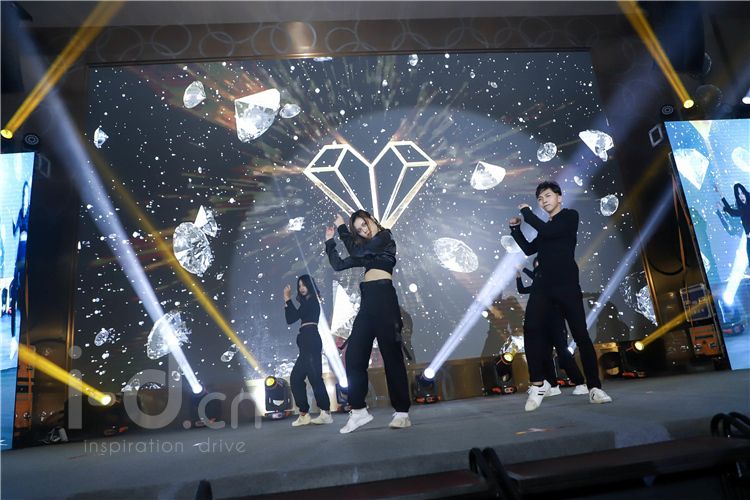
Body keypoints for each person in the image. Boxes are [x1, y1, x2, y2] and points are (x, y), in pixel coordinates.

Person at [510, 180, 612, 410]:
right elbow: (529, 249)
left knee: (580, 335)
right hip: (543, 286)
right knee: (531, 328)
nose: (543, 201)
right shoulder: (545, 227)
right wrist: (515, 230)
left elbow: (549, 231)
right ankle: (538, 383)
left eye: (547, 196)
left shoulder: (569, 217)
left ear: (559, 198)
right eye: (540, 199)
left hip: (566, 285)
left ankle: (594, 387)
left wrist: (526, 212)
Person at [325, 210, 411, 433]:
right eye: (359, 230)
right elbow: (339, 264)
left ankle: (402, 412)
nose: (363, 230)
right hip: (367, 303)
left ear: (372, 219)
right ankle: (359, 411)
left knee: (392, 357)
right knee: (354, 356)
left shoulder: (384, 237)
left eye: (364, 224)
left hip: (384, 299)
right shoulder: (366, 252)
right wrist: (329, 242)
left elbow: (356, 250)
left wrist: (342, 228)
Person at [516, 258, 588, 397]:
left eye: (538, 267)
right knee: (545, 355)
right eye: (536, 267)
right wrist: (518, 276)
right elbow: (522, 289)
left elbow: (538, 276)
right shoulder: (537, 286)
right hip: (542, 324)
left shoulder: (552, 280)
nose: (537, 270)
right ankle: (553, 385)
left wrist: (524, 269)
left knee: (563, 353)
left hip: (556, 323)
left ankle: (580, 383)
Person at [284, 275, 333, 426]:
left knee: (315, 377)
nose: (301, 288)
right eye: (299, 286)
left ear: (310, 285)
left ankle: (325, 413)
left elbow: (294, 316)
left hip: (311, 339)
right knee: (296, 378)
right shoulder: (306, 302)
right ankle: (304, 414)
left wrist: (288, 299)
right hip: (305, 341)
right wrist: (287, 300)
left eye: (304, 285)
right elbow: (290, 319)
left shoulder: (312, 300)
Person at [721, 183, 750, 266]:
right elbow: (732, 212)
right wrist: (722, 197)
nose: (741, 196)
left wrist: (724, 207)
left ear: (745, 192)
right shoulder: (742, 209)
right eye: (738, 194)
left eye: (742, 193)